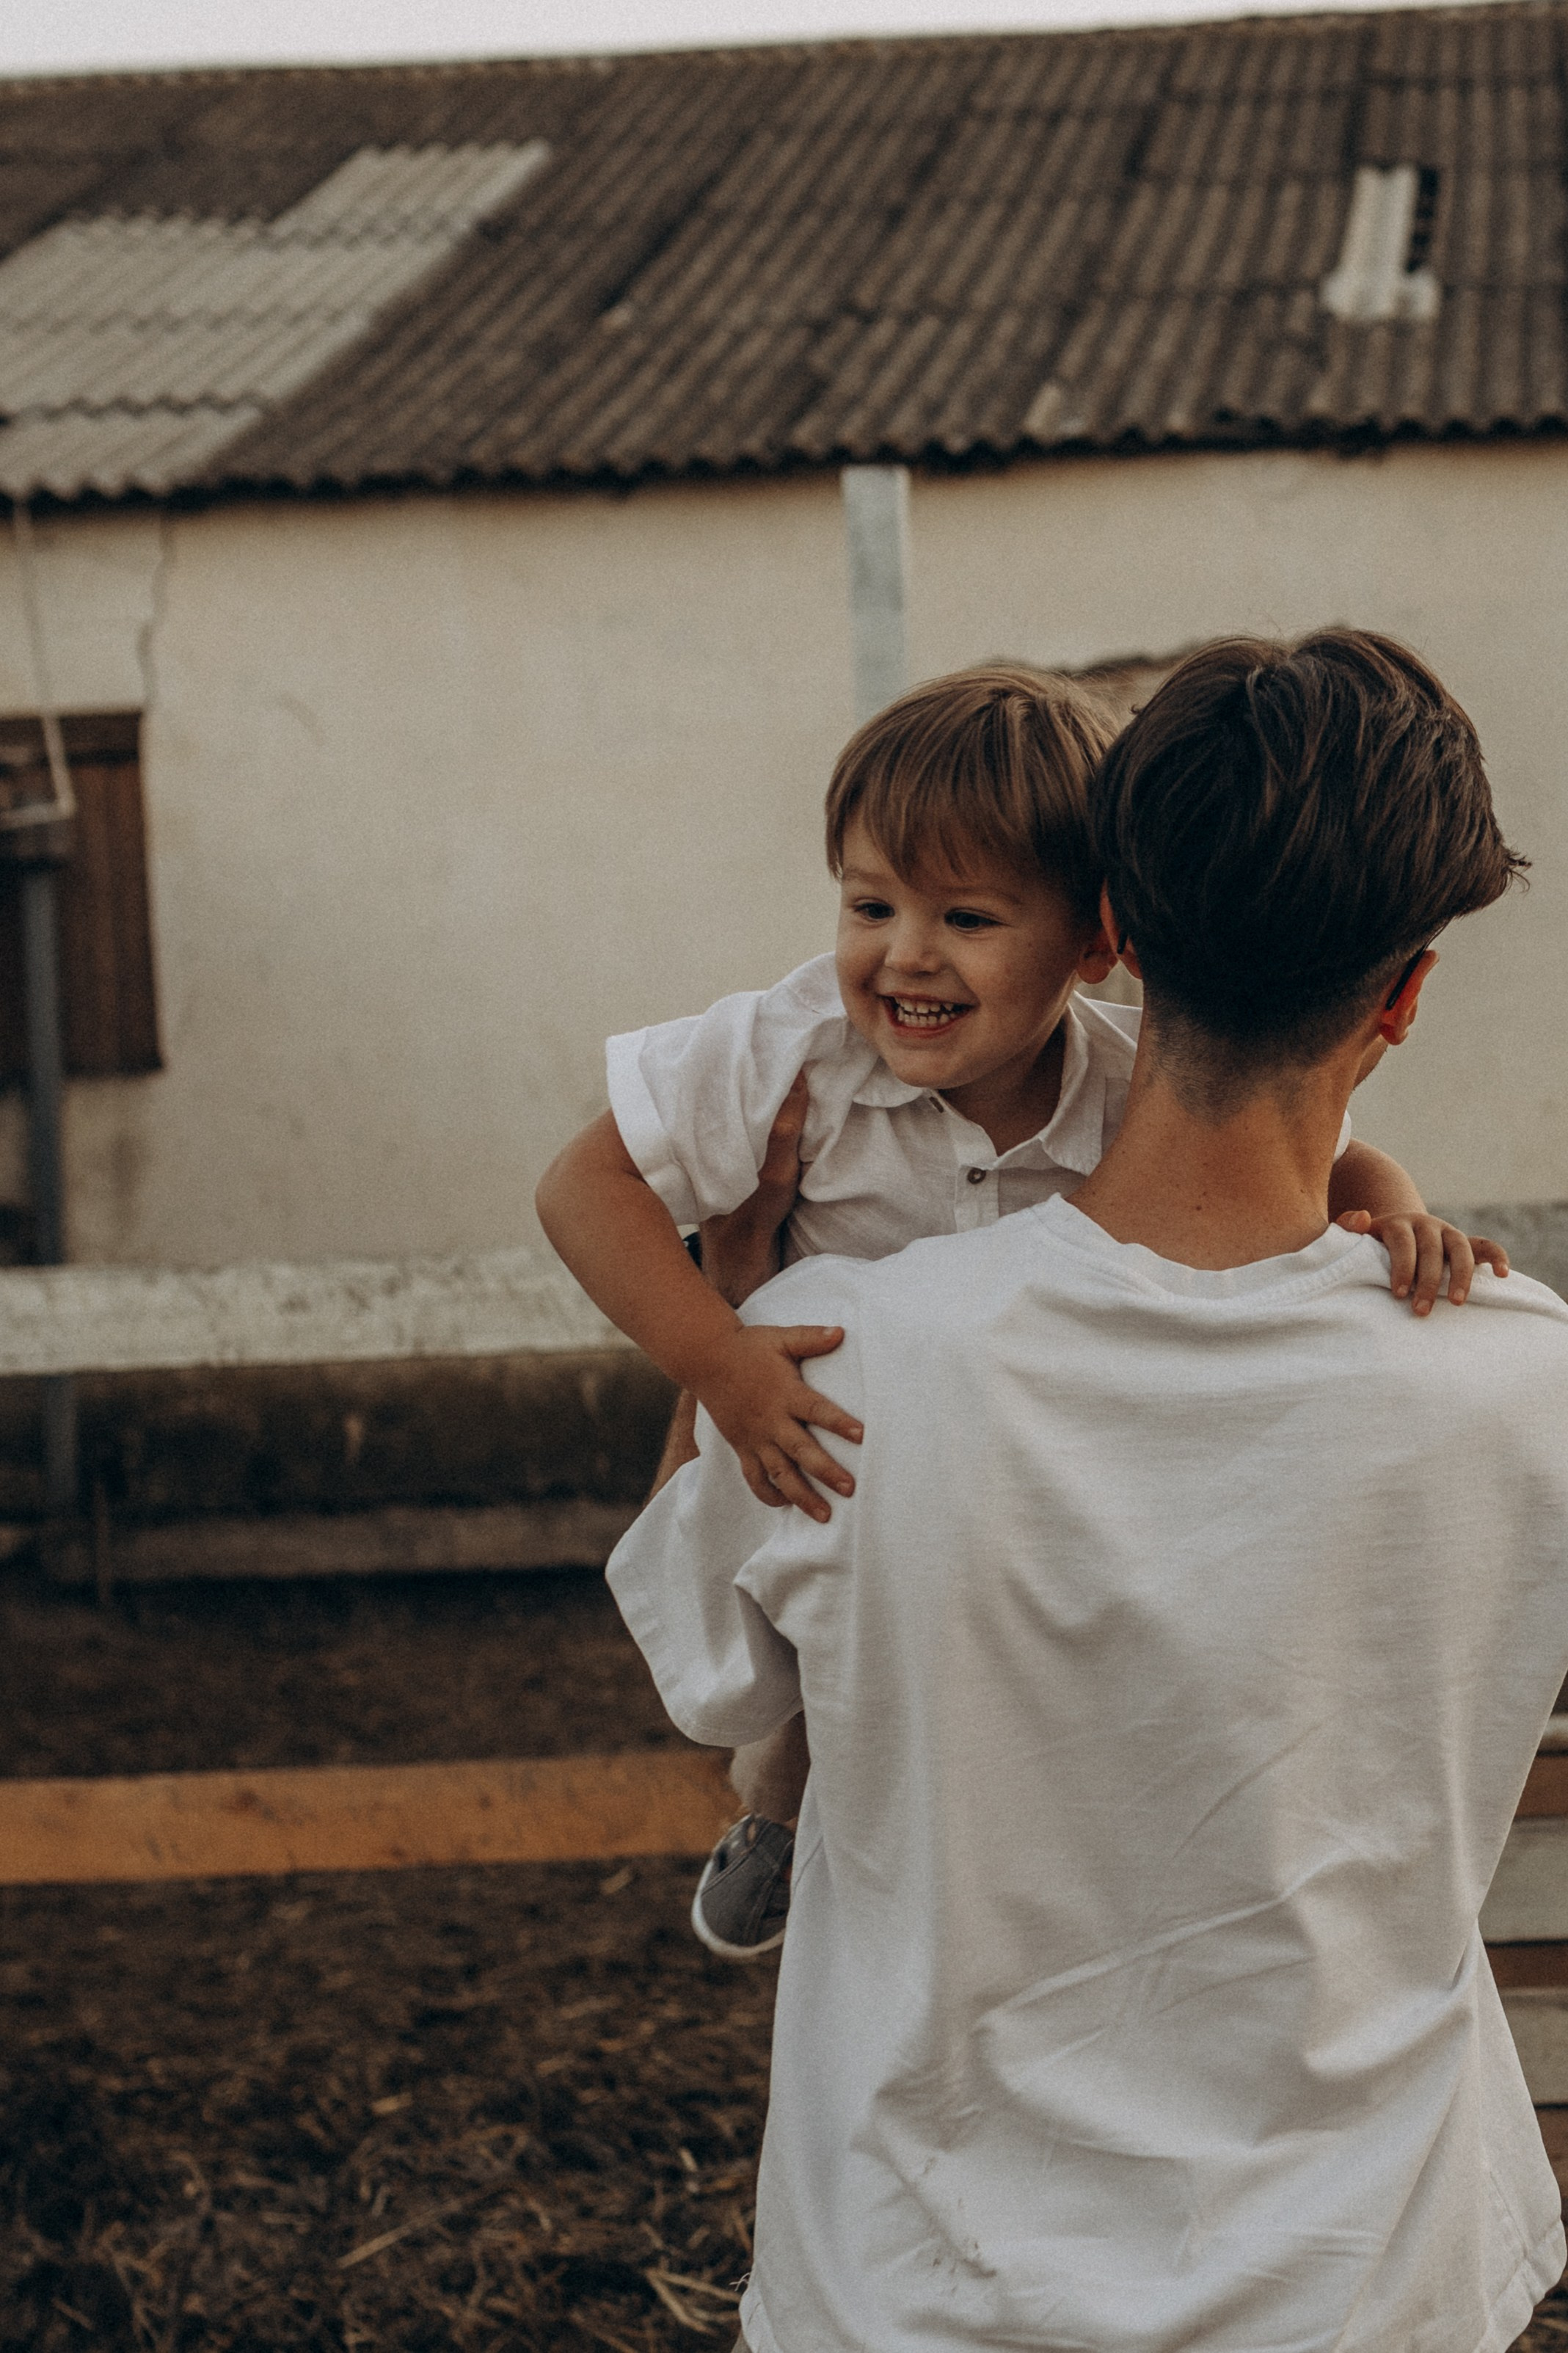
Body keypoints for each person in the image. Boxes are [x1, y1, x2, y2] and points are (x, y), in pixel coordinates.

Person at [605, 630, 1568, 2353]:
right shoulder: (1525, 1378)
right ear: (1402, 994)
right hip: (1368, 2284)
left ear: (1111, 923)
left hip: (914, 2288)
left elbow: (705, 1677)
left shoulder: (844, 1367)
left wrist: (736, 1285)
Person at [536, 662, 1500, 1959]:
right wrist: (721, 1354)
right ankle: (777, 1811)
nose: (905, 953)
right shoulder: (789, 1051)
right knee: (825, 1623)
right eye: (867, 901)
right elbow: (582, 1187)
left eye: (969, 918)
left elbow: (1330, 1169)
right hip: (827, 1410)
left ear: (1099, 942)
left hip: (1009, 1452)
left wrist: (1395, 1213)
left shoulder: (1118, 1085)